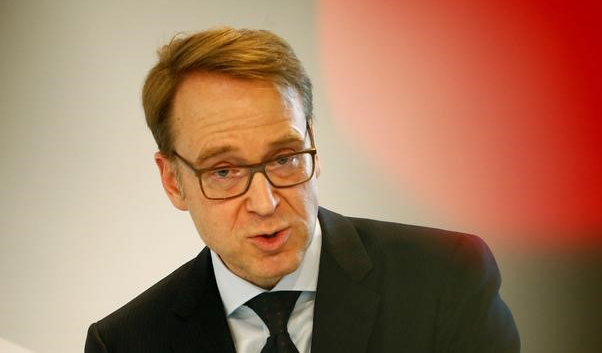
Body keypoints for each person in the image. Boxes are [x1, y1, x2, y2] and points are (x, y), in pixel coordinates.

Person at [85, 27, 519, 353]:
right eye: (224, 171)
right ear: (172, 181)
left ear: (312, 141)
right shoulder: (123, 344)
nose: (265, 202)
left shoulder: (445, 279)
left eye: (283, 158)